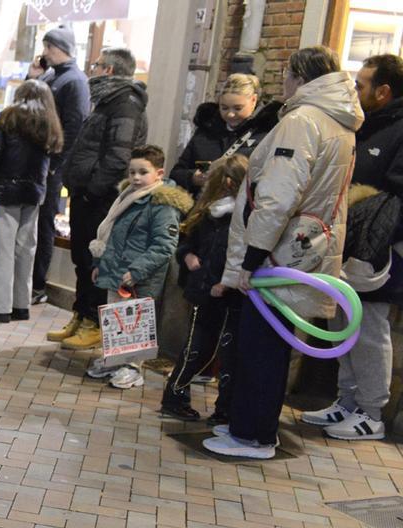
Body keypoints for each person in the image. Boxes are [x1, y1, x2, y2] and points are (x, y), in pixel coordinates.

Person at [204, 46, 363, 459]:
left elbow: (276, 195)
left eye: (287, 75)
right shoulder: (338, 123)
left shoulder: (302, 121)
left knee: (261, 345)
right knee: (271, 344)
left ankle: (252, 435)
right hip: (305, 247)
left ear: (298, 76)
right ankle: (251, 429)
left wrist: (252, 256)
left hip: (278, 251)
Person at [299, 53, 403, 442]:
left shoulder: (398, 130)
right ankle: (347, 401)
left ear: (384, 90)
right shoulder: (365, 125)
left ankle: (372, 413)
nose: (354, 91)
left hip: (380, 252)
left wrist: (380, 233)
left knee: (371, 328)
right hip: (349, 242)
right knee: (344, 322)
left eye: (361, 84)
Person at [49, 47, 148, 351]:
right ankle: (80, 315)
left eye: (97, 65)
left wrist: (93, 188)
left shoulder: (125, 103)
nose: (92, 69)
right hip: (85, 194)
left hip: (101, 197)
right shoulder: (106, 100)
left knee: (96, 260)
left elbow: (119, 155)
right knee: (81, 257)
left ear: (108, 70)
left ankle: (94, 322)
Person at [83, 145, 192, 389]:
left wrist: (137, 271)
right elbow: (111, 236)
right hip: (116, 270)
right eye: (132, 172)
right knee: (116, 317)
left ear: (159, 173)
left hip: (139, 277)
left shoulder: (162, 204)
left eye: (143, 172)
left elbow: (164, 245)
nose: (135, 177)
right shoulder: (127, 198)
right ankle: (114, 359)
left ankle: (133, 366)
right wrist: (100, 263)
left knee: (136, 321)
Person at [160, 155, 248, 421]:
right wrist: (187, 256)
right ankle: (175, 397)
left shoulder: (241, 218)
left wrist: (224, 283)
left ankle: (224, 408)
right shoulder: (209, 213)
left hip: (227, 294)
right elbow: (188, 243)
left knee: (224, 354)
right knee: (197, 349)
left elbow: (235, 257)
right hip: (204, 292)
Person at [0, 78, 62, 323]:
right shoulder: (50, 123)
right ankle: (20, 304)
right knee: (26, 249)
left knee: (2, 250)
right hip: (34, 193)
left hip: (7, 191)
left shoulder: (9, 118)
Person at [30, 25, 90, 305]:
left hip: (51, 167)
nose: (45, 53)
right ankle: (27, 281)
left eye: (49, 47)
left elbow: (74, 125)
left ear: (61, 48)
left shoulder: (75, 81)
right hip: (38, 161)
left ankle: (38, 284)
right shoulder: (52, 75)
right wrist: (32, 78)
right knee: (31, 224)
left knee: (43, 225)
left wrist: (57, 165)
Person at [168, 73, 281, 196]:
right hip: (203, 205)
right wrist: (193, 177)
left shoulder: (266, 133)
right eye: (224, 108)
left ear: (253, 100)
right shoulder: (206, 129)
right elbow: (177, 173)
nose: (230, 114)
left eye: (238, 108)